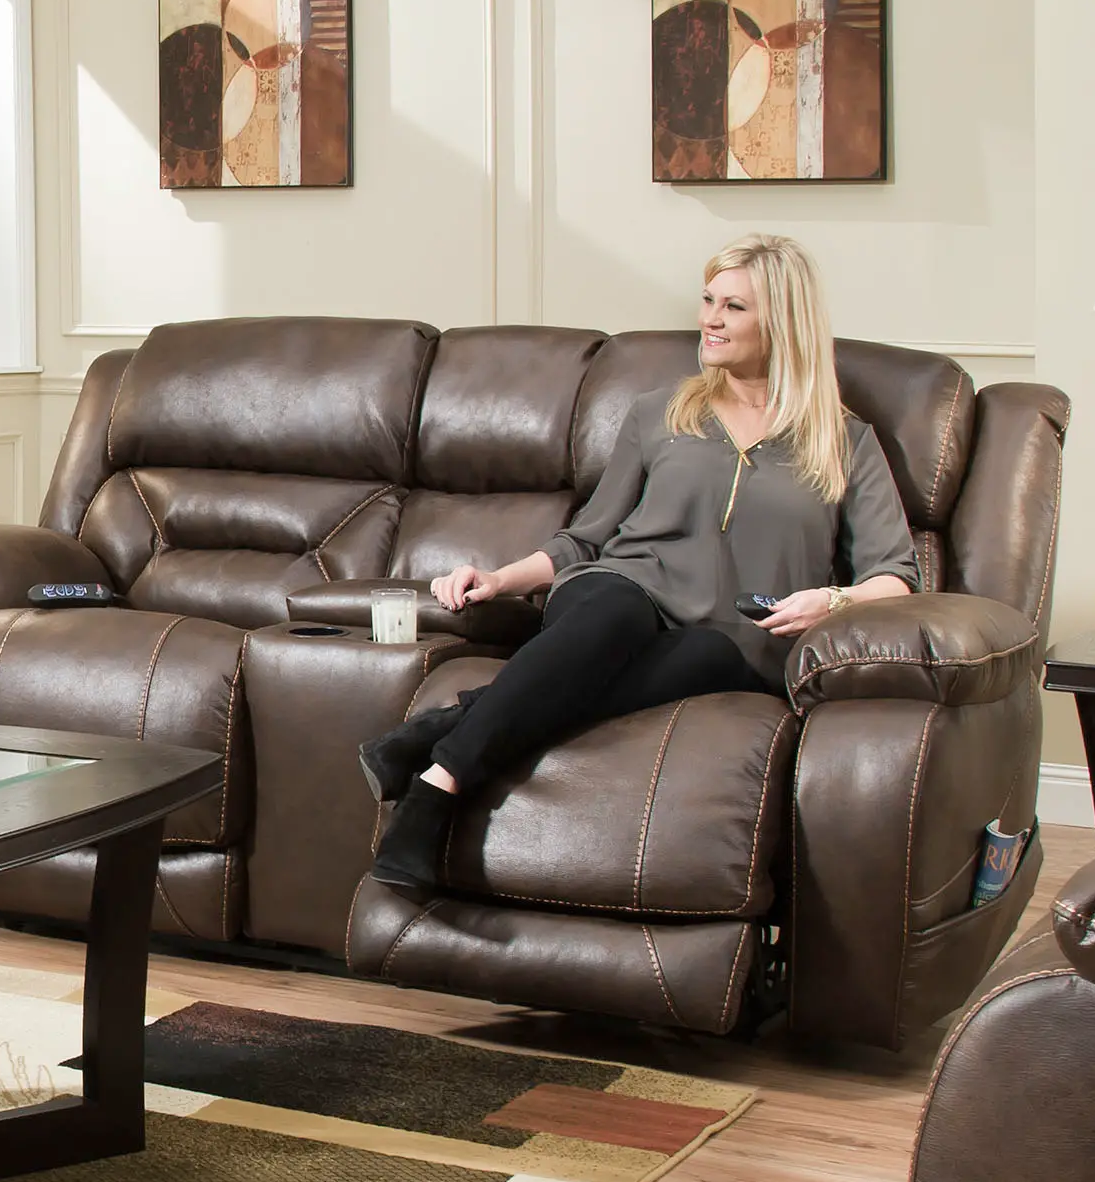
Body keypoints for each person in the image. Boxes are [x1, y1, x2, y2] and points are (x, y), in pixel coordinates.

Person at [361, 234, 918, 893]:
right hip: (623, 588)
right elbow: (585, 539)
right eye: (708, 301)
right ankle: (438, 786)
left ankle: (446, 725)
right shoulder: (662, 411)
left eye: (733, 307)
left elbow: (897, 578)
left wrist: (830, 601)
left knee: (703, 658)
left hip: (733, 643)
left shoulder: (842, 441)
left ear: (783, 320)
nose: (709, 319)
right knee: (613, 617)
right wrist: (500, 579)